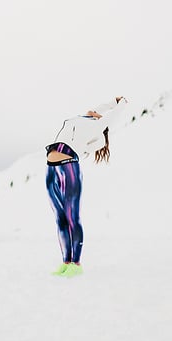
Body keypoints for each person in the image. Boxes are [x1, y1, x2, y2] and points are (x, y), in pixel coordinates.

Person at [45, 96, 128, 277]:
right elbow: (100, 107)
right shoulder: (83, 119)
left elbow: (115, 113)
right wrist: (110, 102)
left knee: (72, 216)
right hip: (51, 169)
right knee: (60, 219)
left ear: (101, 120)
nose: (95, 111)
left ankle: (77, 263)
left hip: (69, 169)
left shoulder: (98, 125)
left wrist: (120, 103)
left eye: (99, 113)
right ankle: (66, 262)